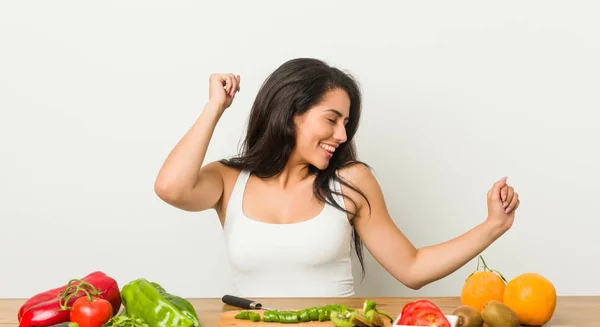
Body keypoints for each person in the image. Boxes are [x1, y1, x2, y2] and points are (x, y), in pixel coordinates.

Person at [154, 58, 520, 298]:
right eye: (331, 120)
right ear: (291, 113)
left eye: (346, 123)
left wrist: (493, 226)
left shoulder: (351, 182)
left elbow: (412, 269)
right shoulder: (229, 179)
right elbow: (171, 188)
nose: (342, 136)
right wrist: (214, 108)